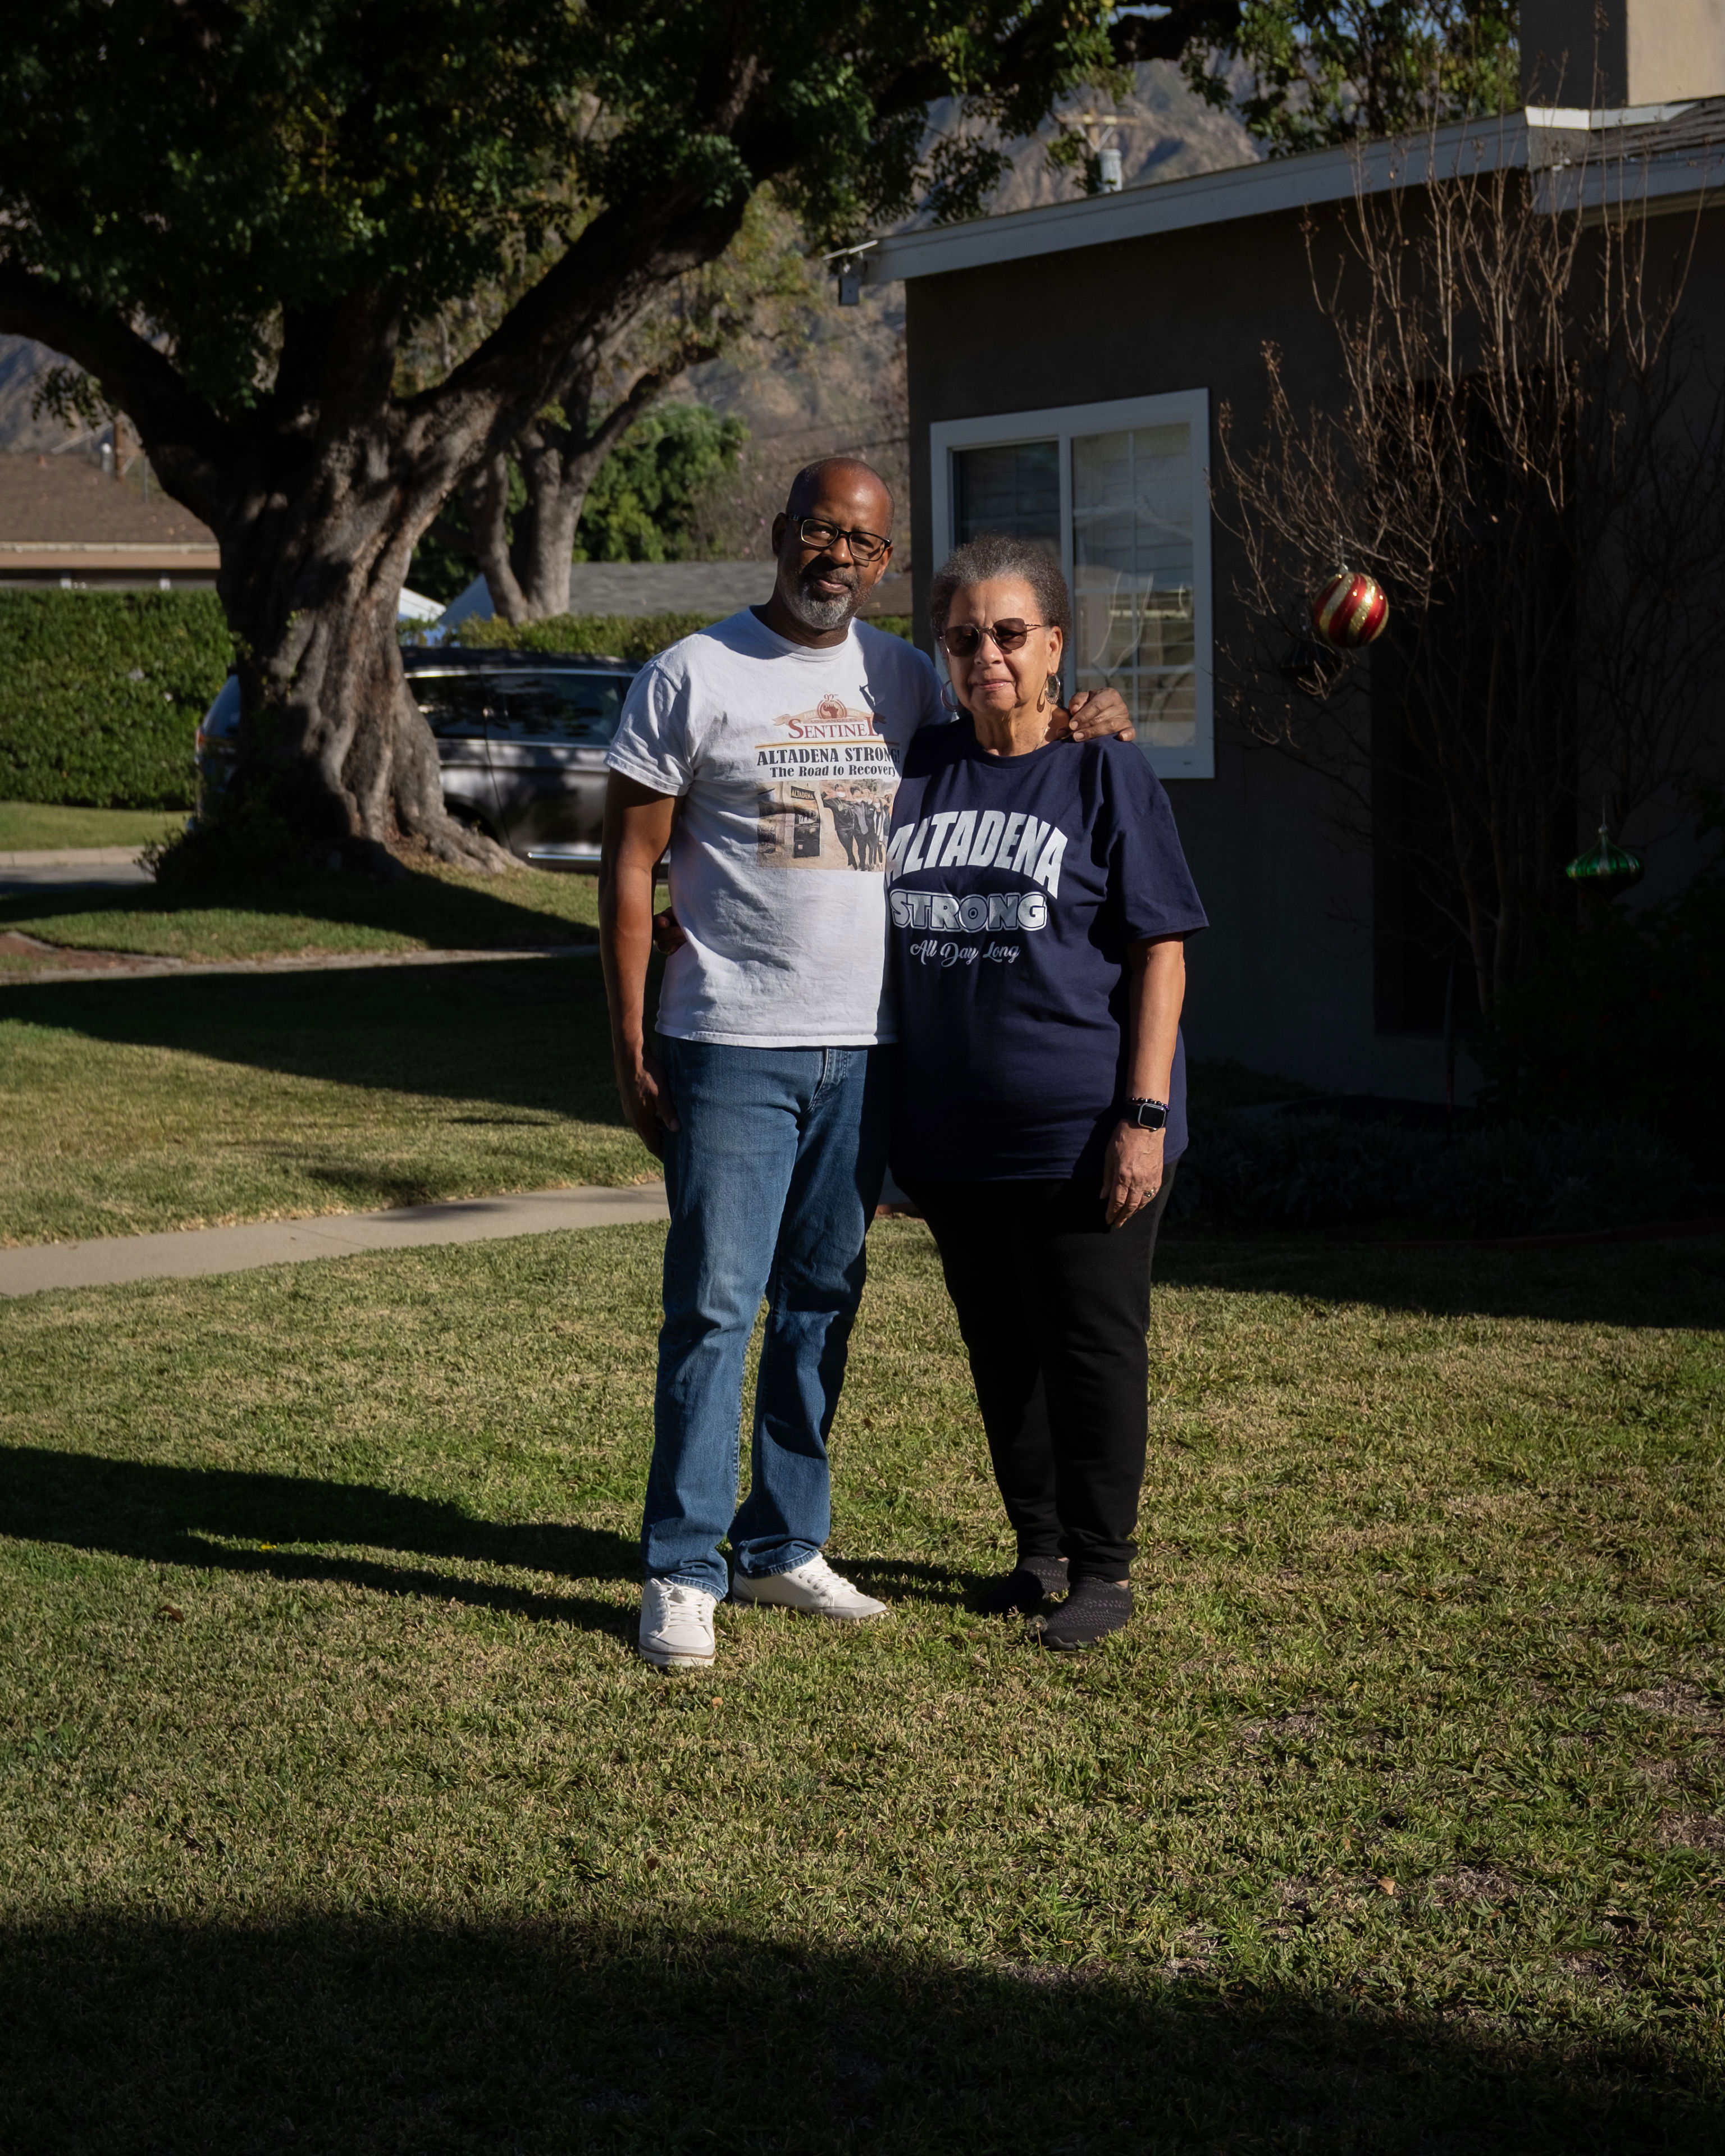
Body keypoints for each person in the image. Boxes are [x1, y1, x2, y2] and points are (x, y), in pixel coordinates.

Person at [598, 460, 1132, 1671]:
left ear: (886, 563)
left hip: (874, 1048)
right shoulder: (691, 675)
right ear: (781, 536)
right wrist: (627, 1036)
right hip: (731, 1039)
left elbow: (1014, 749)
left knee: (821, 1307)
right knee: (716, 1310)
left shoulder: (905, 677)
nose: (837, 555)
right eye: (819, 533)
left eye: (864, 542)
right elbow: (630, 865)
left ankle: (783, 1543)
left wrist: (1093, 716)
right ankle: (682, 1569)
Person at [886, 534, 1208, 1651]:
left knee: (1090, 1348)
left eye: (1011, 635)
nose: (988, 654)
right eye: (966, 636)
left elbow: (1161, 949)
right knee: (1001, 1353)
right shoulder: (919, 769)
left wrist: (1144, 1116)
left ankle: (1105, 1572)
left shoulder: (1103, 769)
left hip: (1083, 1133)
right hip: (955, 1140)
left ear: (1055, 647)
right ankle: (1038, 1554)